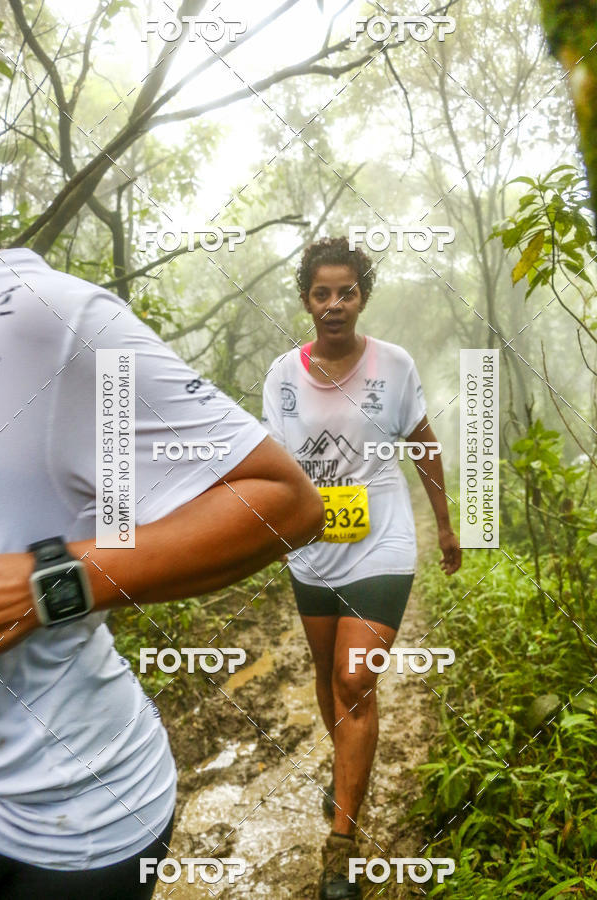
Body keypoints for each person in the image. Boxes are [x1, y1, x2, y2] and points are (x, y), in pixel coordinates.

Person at [0, 246, 324, 899]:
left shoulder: (48, 318)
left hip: (61, 822)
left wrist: (48, 585)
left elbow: (284, 501)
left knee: (345, 681)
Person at [262, 236, 461, 899]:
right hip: (313, 548)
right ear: (307, 301)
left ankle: (341, 844)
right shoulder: (281, 377)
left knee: (354, 679)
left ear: (362, 296)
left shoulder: (394, 366)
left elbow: (423, 446)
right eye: (322, 292)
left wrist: (447, 524)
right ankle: (348, 768)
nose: (335, 304)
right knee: (326, 676)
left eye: (347, 291)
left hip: (384, 543)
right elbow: (274, 470)